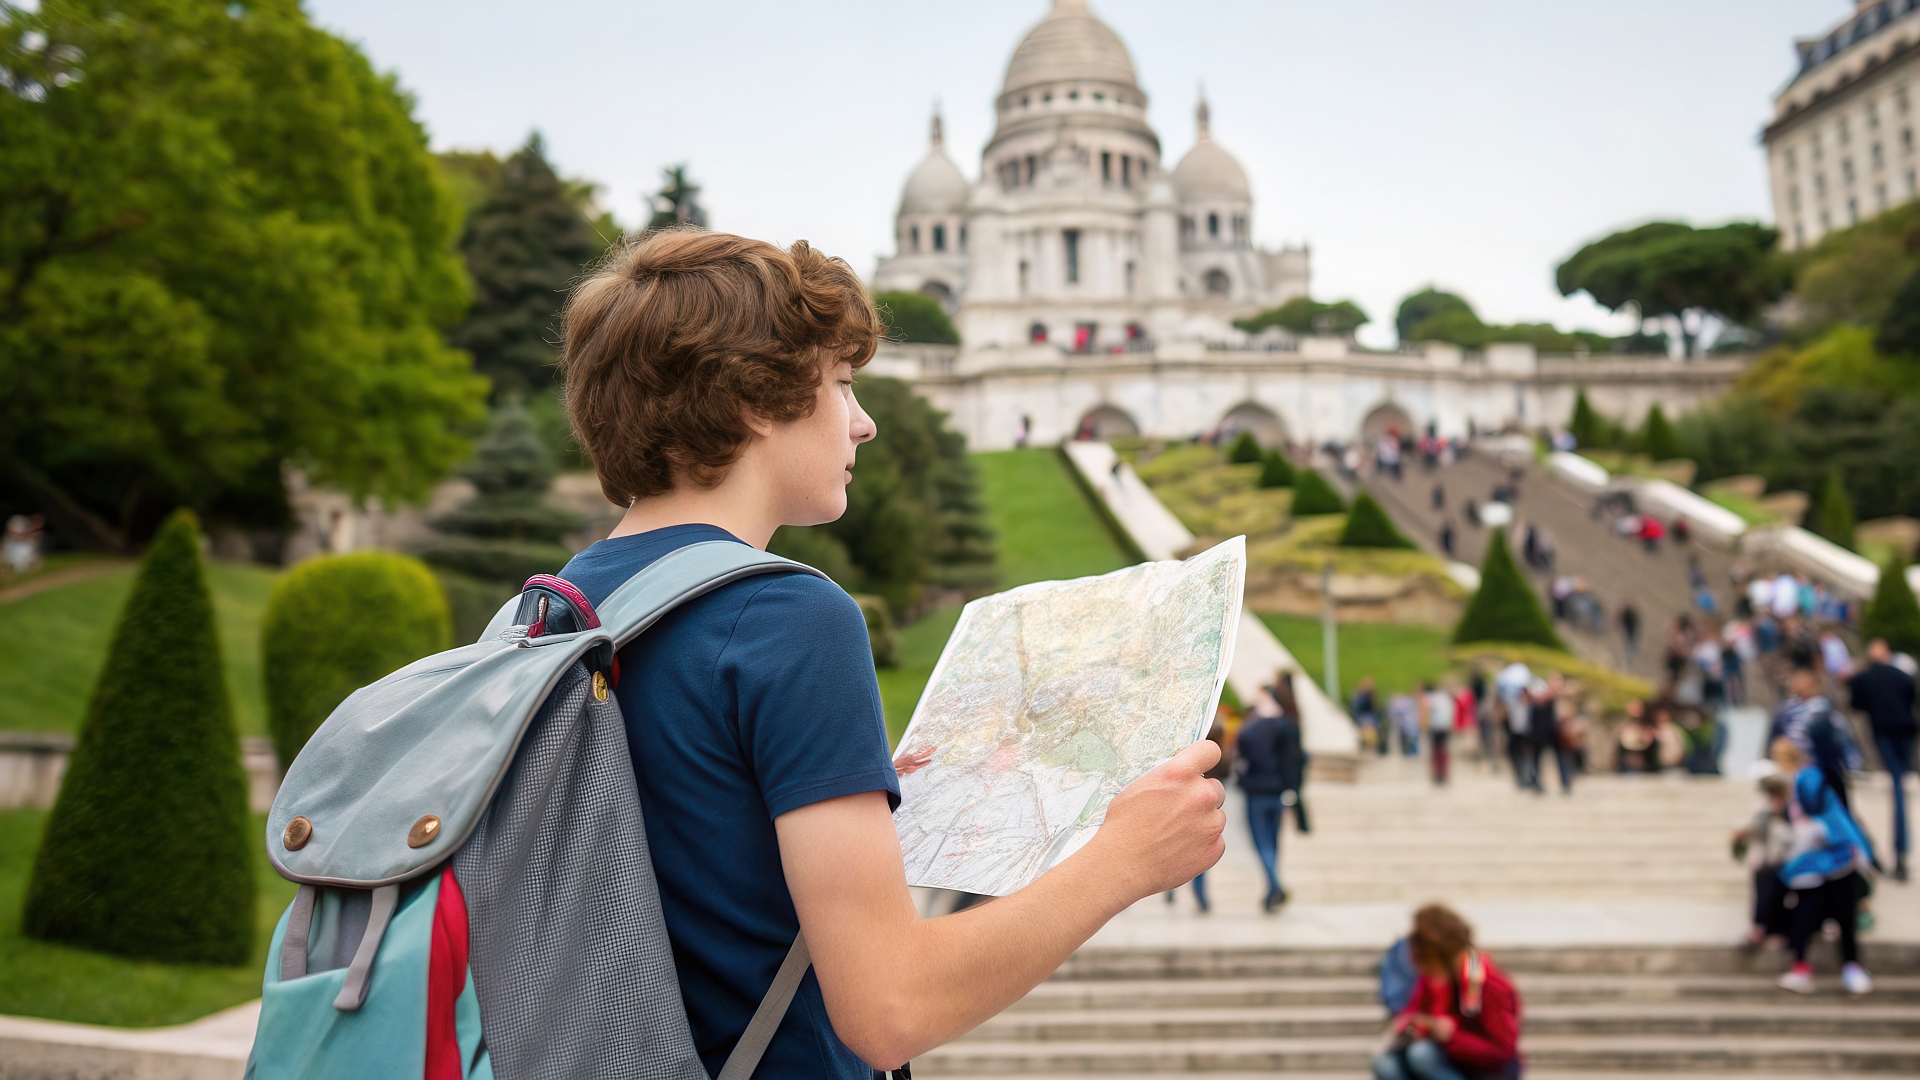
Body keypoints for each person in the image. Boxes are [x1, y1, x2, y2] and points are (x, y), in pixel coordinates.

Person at [550, 230, 1227, 1075]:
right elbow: (891, 1007)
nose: (864, 422)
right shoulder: (787, 618)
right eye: (841, 384)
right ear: (755, 401)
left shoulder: (548, 611)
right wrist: (1125, 859)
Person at [1772, 739, 1875, 996]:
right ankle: (1842, 968)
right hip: (1828, 859)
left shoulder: (1806, 778)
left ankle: (1827, 968)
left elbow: (1819, 816)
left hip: (1830, 857)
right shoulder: (1816, 775)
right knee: (1831, 917)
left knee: (1827, 915)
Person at [1371, 904, 1522, 1080]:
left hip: (1484, 1069)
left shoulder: (1483, 980)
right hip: (1451, 1058)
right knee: (1385, 1064)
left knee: (1422, 1055)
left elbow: (1503, 1051)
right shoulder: (1436, 978)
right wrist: (1416, 1028)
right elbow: (1413, 1014)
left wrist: (1452, 1037)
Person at [1850, 639, 1918, 881]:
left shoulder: (1864, 678)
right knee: (1899, 784)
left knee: (1897, 786)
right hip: (1904, 733)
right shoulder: (1902, 676)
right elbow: (1911, 697)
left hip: (1884, 734)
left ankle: (1900, 852)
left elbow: (1857, 703)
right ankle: (1900, 852)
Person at [1235, 680, 1306, 912]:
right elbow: (1298, 758)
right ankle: (1272, 891)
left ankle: (1275, 886)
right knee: (1273, 845)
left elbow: (1241, 751)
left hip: (1257, 792)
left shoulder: (1254, 726)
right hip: (1277, 791)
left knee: (1263, 843)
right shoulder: (1287, 724)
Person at [1169, 708, 1236, 911]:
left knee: (1180, 846)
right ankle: (1200, 896)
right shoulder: (1218, 747)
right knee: (1201, 850)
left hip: (1186, 799)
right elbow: (1226, 770)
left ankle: (1172, 889)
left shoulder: (1190, 743)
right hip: (1208, 803)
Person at [1733, 773, 1796, 951]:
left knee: (1769, 876)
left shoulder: (1794, 812)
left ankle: (1764, 929)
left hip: (1796, 862)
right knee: (1763, 874)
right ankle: (1761, 928)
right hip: (1775, 863)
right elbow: (1752, 833)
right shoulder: (1766, 815)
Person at [1422, 681, 1456, 786]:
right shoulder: (1446, 698)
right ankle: (1444, 773)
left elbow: (1426, 711)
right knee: (1443, 750)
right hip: (1445, 727)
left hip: (1435, 727)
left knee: (1436, 751)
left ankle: (1437, 774)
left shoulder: (1430, 698)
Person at [1352, 676, 1383, 755]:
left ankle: (1370, 748)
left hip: (1368, 717)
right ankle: (1367, 748)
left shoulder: (1365, 696)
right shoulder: (1362, 696)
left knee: (1370, 735)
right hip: (1365, 717)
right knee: (1368, 735)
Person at [1389, 692, 1421, 758]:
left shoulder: (1405, 704)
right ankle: (1408, 751)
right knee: (1407, 738)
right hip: (1406, 724)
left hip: (1408, 724)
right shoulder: (1407, 703)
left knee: (1410, 738)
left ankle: (1410, 751)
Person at [1618, 600, 1641, 665]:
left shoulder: (1631, 614)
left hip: (1631, 633)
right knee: (1630, 646)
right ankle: (1628, 659)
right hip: (1629, 632)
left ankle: (1629, 659)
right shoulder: (1627, 614)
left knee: (1632, 646)